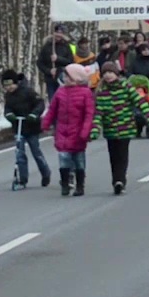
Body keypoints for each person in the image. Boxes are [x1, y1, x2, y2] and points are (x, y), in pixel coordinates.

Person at [91, 62, 149, 195]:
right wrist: (95, 129)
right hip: (110, 129)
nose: (108, 75)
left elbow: (140, 102)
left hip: (125, 127)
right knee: (113, 156)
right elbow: (98, 113)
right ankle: (116, 180)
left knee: (122, 155)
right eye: (105, 73)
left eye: (110, 72)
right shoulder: (101, 92)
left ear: (116, 74)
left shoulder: (126, 87)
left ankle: (120, 180)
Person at [42, 64, 96, 197]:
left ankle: (79, 185)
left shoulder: (86, 93)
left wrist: (85, 130)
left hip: (78, 133)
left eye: (68, 76)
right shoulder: (60, 92)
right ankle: (65, 183)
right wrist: (45, 123)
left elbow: (89, 114)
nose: (65, 79)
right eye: (65, 76)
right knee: (64, 158)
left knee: (79, 160)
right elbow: (52, 110)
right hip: (62, 132)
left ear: (76, 78)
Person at [1, 69, 52, 188]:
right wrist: (9, 115)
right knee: (19, 153)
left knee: (36, 152)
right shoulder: (8, 96)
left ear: (15, 82)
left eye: (10, 84)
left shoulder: (28, 91)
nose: (9, 88)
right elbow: (7, 109)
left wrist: (34, 114)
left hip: (31, 126)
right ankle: (22, 179)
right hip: (19, 127)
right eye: (6, 85)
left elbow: (40, 103)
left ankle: (45, 172)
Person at [37, 24, 75, 100]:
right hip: (50, 79)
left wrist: (58, 58)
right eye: (57, 32)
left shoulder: (67, 46)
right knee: (52, 100)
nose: (58, 34)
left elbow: (70, 62)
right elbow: (39, 63)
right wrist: (49, 71)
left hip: (63, 78)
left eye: (61, 33)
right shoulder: (47, 46)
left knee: (62, 100)